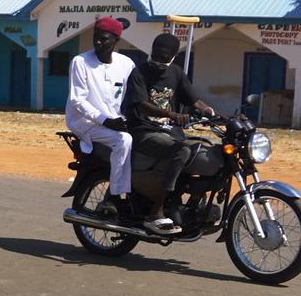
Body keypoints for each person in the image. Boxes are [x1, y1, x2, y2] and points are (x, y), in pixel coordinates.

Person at [123, 33, 216, 235]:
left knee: (205, 151)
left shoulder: (176, 73)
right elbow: (142, 106)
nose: (159, 60)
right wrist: (171, 114)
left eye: (164, 57)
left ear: (174, 56)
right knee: (182, 151)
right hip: (144, 130)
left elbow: (194, 100)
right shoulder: (139, 73)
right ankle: (155, 211)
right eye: (156, 55)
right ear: (151, 51)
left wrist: (212, 113)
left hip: (171, 132)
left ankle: (192, 203)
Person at [66, 17, 135, 218]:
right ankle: (114, 196)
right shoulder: (80, 62)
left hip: (114, 120)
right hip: (84, 122)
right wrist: (105, 120)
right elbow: (78, 100)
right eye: (96, 38)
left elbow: (135, 93)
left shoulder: (126, 64)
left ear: (116, 41)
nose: (98, 42)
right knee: (124, 140)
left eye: (104, 39)